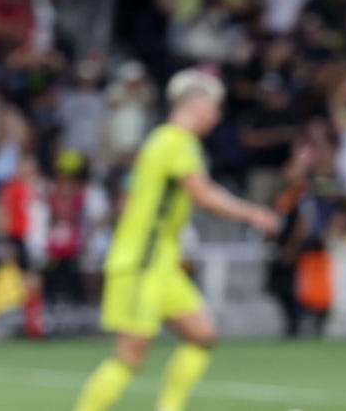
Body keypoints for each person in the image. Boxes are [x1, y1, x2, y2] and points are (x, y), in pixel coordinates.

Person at [73, 68, 279, 411]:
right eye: (214, 107)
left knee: (202, 335)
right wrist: (253, 213)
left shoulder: (160, 141)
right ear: (196, 104)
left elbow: (129, 195)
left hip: (162, 263)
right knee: (130, 354)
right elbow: (204, 195)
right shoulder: (176, 142)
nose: (216, 116)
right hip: (142, 261)